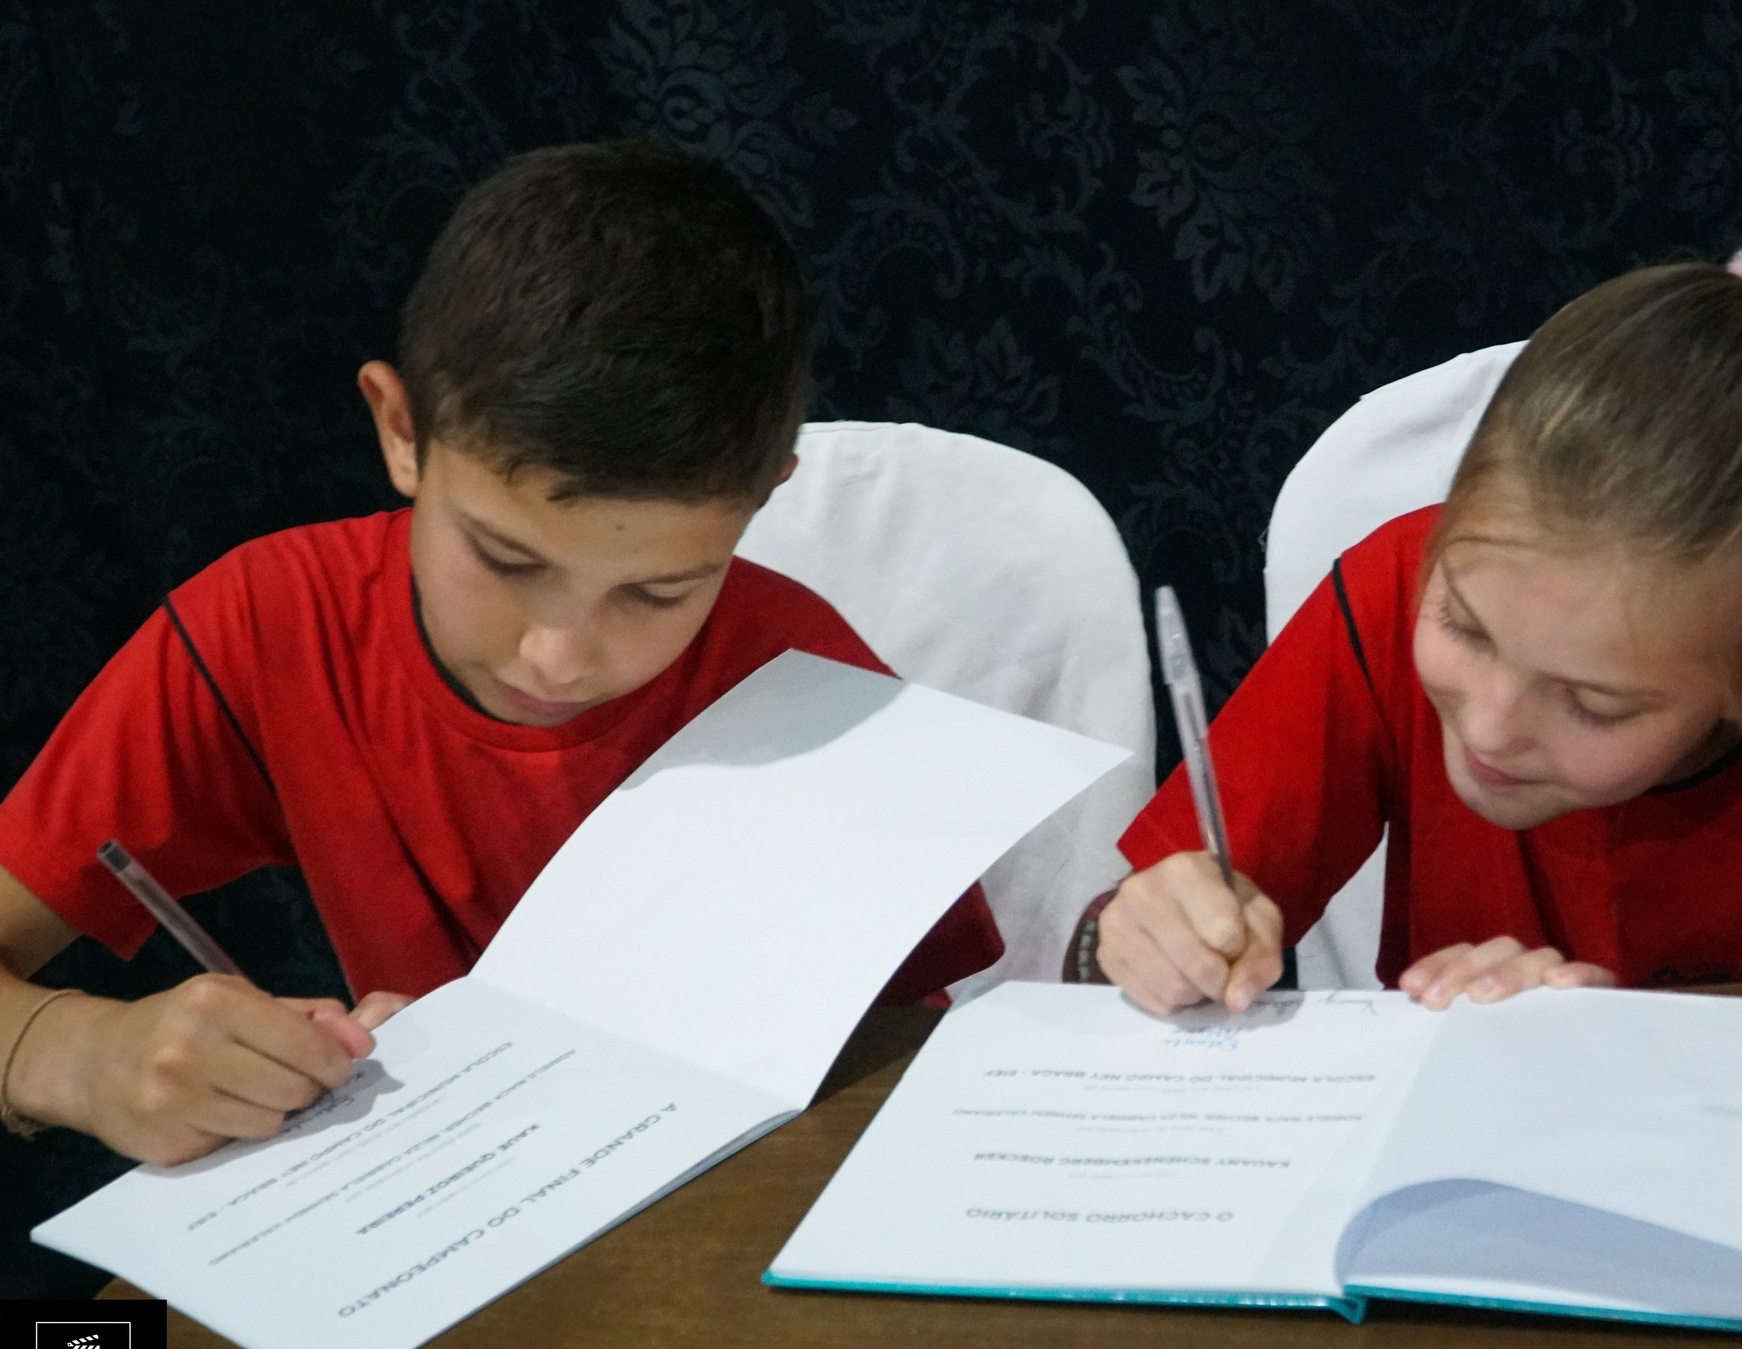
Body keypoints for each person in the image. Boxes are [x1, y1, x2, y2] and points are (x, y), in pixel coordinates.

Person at [0, 141, 1000, 1167]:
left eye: (658, 592)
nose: (558, 656)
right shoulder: (269, 629)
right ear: (401, 431)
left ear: (763, 500)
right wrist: (73, 1051)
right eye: (503, 557)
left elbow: (894, 1074)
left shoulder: (811, 692)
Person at [1089, 243, 1742, 1016]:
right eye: (1465, 625)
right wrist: (1135, 939)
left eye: (1594, 703)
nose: (1493, 725)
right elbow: (1112, 960)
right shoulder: (1395, 585)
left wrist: (1619, 1054)